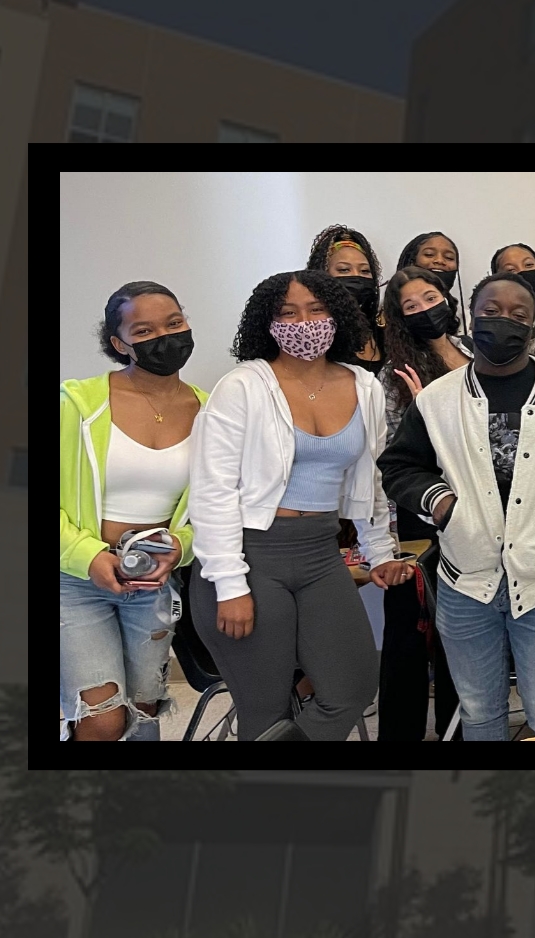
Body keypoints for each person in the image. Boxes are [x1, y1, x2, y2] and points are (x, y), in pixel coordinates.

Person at [379, 273, 535, 740]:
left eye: (518, 314)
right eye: (491, 312)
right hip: (464, 581)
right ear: (471, 319)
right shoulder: (438, 399)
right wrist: (443, 506)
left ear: (534, 323)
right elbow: (400, 466)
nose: (503, 322)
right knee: (478, 712)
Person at [188, 270, 413, 741]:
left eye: (316, 309)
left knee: (351, 688)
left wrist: (381, 552)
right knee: (265, 707)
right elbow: (212, 491)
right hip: (250, 557)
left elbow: (367, 479)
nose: (303, 322)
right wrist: (230, 585)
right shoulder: (243, 386)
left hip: (319, 555)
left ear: (338, 316)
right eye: (287, 313)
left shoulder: (363, 385)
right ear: (266, 323)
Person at [60, 281, 205, 740]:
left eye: (174, 323)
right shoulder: (76, 404)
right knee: (103, 718)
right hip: (77, 580)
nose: (164, 336)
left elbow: (214, 505)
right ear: (119, 343)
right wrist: (89, 557)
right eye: (143, 330)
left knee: (143, 711)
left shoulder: (210, 411)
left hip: (154, 582)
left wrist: (179, 549)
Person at [373, 266, 473, 741]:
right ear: (397, 319)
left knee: (464, 632)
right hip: (419, 519)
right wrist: (423, 411)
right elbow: (393, 457)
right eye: (410, 307)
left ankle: (459, 731)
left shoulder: (477, 352)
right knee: (410, 634)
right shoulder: (391, 377)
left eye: (430, 298)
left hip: (478, 514)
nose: (424, 311)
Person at [307, 225, 385, 374]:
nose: (356, 276)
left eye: (364, 271)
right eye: (344, 270)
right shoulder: (314, 331)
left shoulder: (383, 331)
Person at [396, 231, 463, 324]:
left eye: (449, 257)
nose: (439, 260)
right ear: (411, 261)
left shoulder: (463, 318)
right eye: (429, 254)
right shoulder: (387, 311)